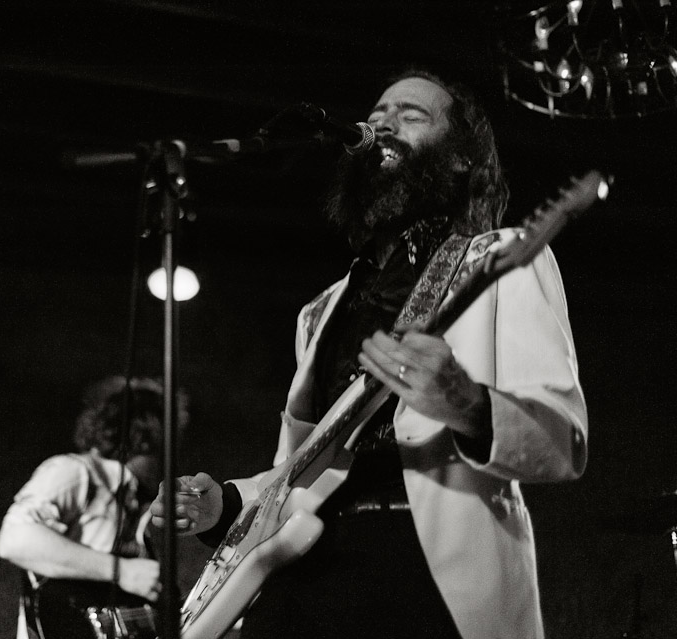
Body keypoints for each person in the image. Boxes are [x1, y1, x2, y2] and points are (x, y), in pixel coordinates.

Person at [151, 70, 588, 639]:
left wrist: (467, 404)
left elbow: (563, 442)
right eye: (378, 112)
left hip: (423, 574)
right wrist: (227, 504)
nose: (382, 123)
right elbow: (308, 467)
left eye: (411, 115)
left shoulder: (502, 260)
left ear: (458, 160)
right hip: (305, 573)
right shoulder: (321, 310)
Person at [0, 376, 187, 639]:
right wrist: (121, 571)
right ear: (144, 438)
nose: (171, 459)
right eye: (168, 445)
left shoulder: (137, 503)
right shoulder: (76, 471)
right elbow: (15, 539)